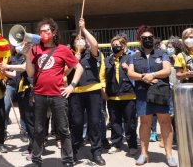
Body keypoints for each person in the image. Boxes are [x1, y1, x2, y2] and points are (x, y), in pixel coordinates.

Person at [24, 17, 83, 167]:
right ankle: (36, 160)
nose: (43, 33)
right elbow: (30, 73)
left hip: (58, 95)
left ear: (54, 32)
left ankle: (68, 161)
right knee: (38, 130)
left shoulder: (63, 49)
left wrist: (72, 86)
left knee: (63, 129)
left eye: (46, 30)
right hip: (40, 95)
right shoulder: (35, 50)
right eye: (41, 31)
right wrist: (26, 55)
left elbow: (79, 68)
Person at [127, 25, 177, 167]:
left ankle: (169, 156)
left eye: (150, 38)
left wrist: (153, 75)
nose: (147, 40)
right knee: (144, 123)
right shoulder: (134, 56)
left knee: (165, 122)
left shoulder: (162, 53)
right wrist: (144, 77)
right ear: (140, 40)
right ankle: (144, 154)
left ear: (153, 39)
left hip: (160, 92)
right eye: (144, 38)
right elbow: (131, 73)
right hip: (143, 94)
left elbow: (167, 70)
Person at [67, 19, 106, 166]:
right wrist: (72, 62)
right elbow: (64, 73)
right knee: (76, 123)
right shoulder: (68, 55)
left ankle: (96, 152)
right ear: (72, 43)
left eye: (82, 39)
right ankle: (74, 151)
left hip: (93, 92)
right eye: (77, 40)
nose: (80, 41)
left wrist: (83, 30)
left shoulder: (92, 54)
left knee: (95, 122)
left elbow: (95, 44)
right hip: (75, 93)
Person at [102, 35, 138, 155]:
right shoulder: (107, 60)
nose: (115, 47)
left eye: (118, 45)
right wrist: (104, 91)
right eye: (113, 45)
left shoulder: (131, 58)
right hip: (112, 96)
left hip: (129, 95)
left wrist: (128, 69)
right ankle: (116, 144)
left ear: (123, 46)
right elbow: (102, 76)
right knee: (115, 122)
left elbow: (137, 74)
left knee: (130, 122)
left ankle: (132, 144)